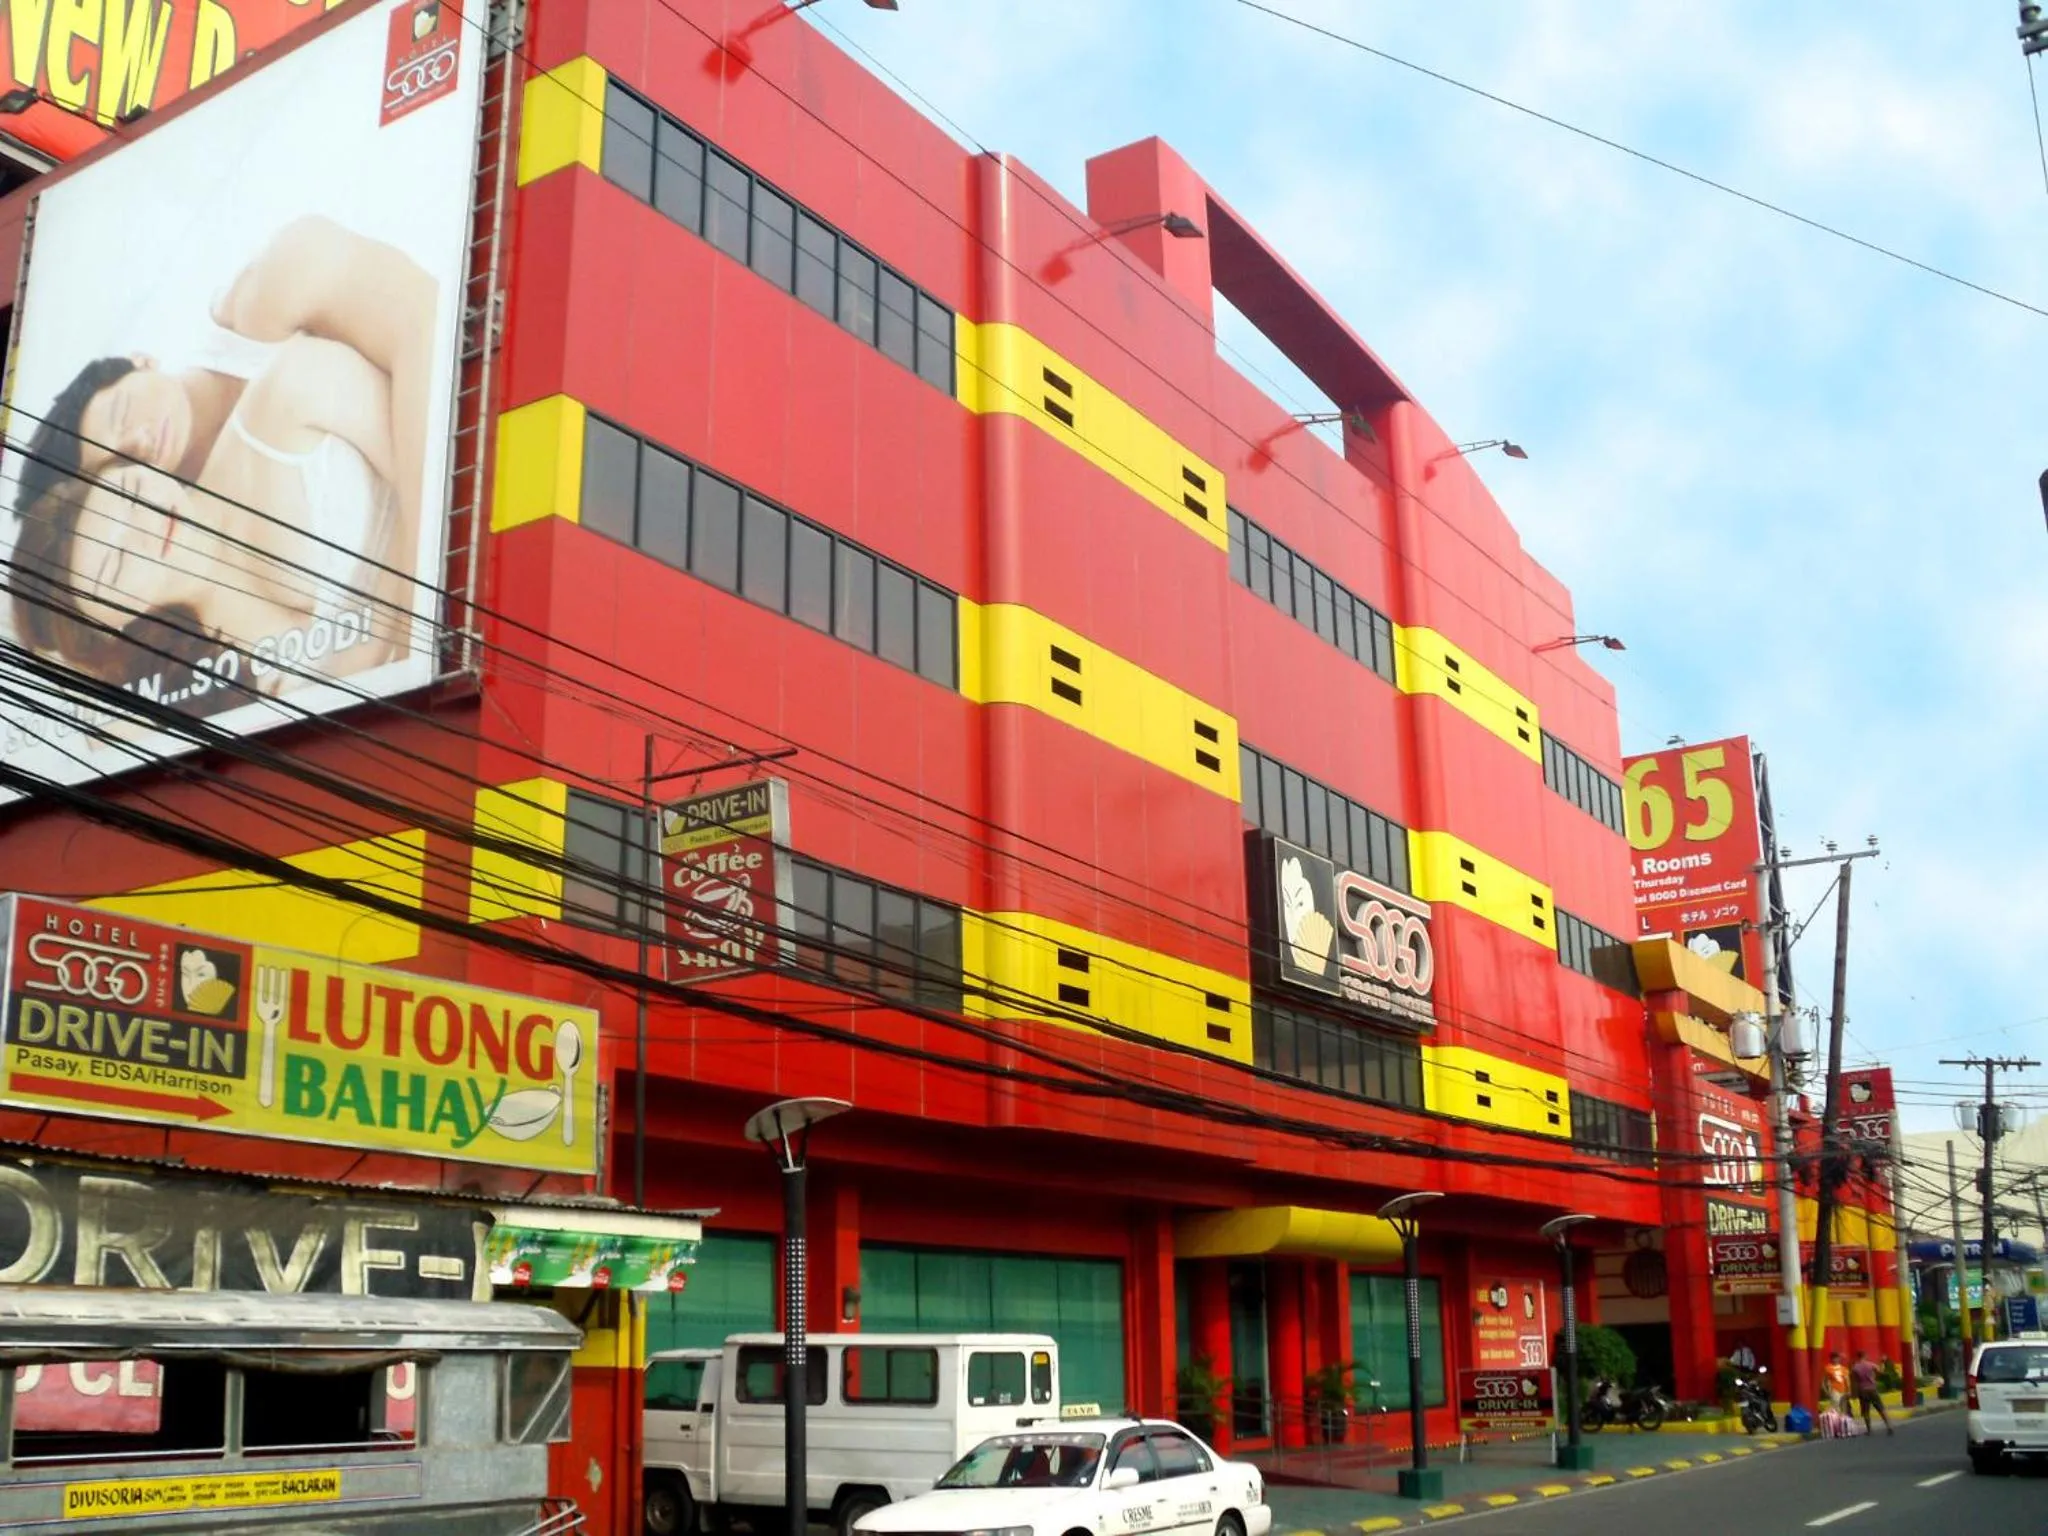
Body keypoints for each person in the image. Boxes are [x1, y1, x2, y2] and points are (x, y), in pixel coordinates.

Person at [8, 215, 437, 694]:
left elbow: (432, 349)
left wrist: (408, 635)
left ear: (140, 361)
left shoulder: (279, 339)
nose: (146, 524)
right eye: (115, 563)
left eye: (129, 493)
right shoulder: (197, 669)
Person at [1850, 1350, 1893, 1436]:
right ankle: (1889, 1426)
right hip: (1872, 1389)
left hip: (1862, 1391)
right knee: (1881, 1409)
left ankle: (1869, 1430)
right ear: (1865, 1356)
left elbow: (1854, 1382)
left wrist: (1854, 1394)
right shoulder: (1871, 1365)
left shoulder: (1855, 1367)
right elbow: (1881, 1372)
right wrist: (1882, 1362)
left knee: (1866, 1411)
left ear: (1858, 1357)